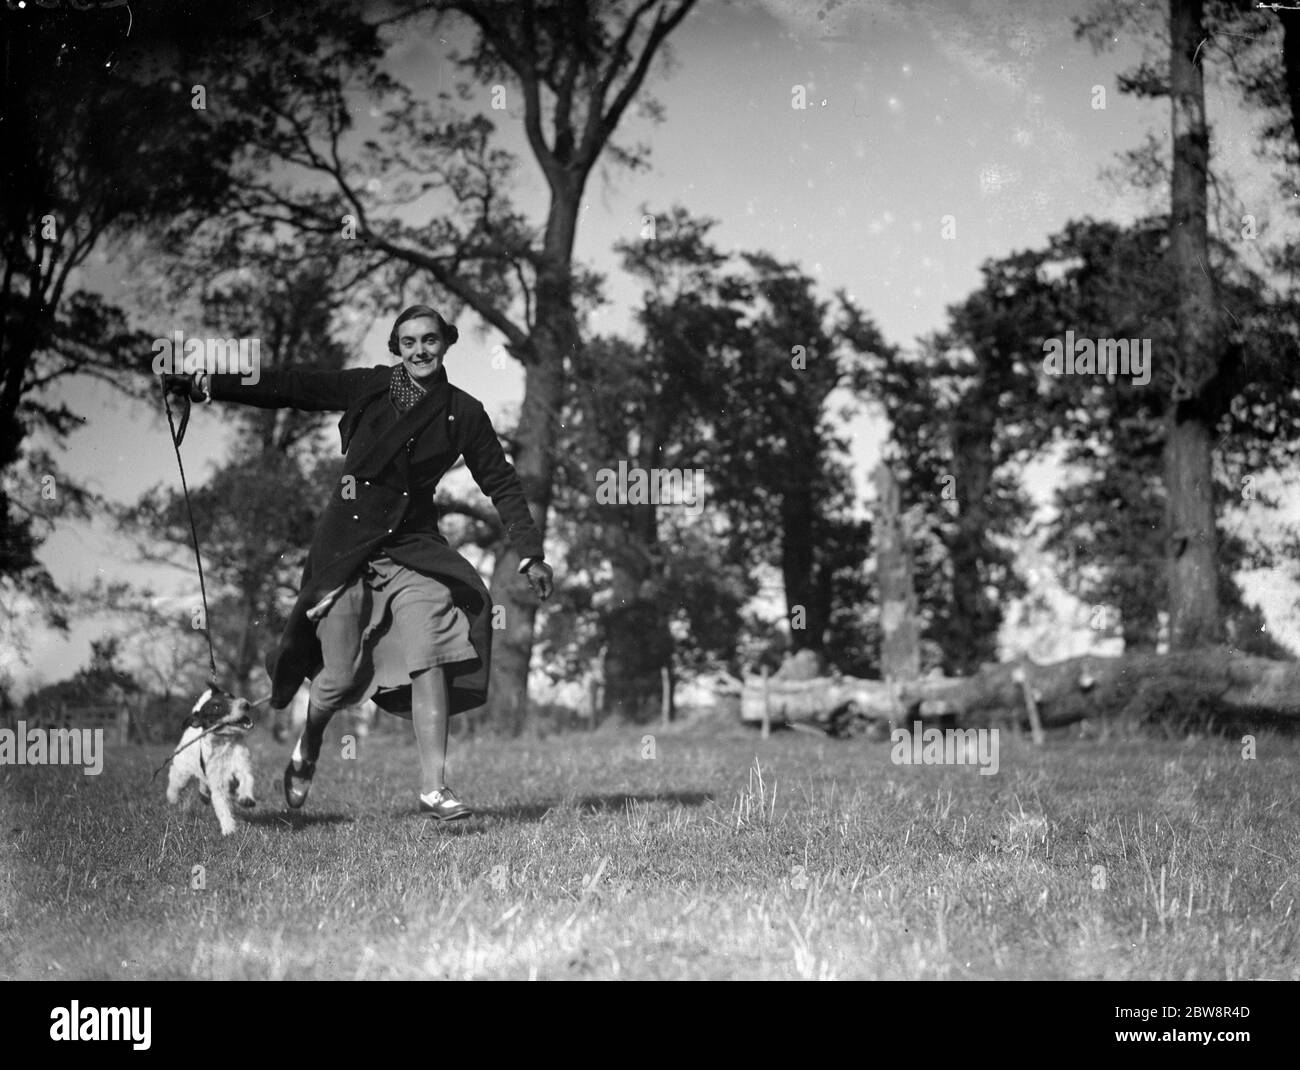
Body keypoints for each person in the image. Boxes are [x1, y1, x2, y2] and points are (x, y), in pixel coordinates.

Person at [163, 305, 554, 820]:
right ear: (397, 347)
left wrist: (530, 552)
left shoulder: (464, 412)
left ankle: (434, 786)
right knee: (341, 677)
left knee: (429, 647)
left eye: (430, 340)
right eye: (409, 341)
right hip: (345, 549)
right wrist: (206, 383)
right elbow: (291, 386)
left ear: (446, 343)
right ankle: (309, 744)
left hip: (413, 549)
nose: (420, 350)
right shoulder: (367, 387)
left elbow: (501, 481)